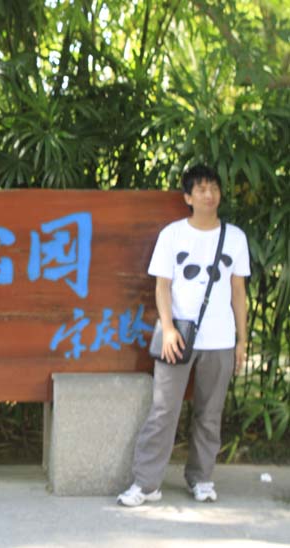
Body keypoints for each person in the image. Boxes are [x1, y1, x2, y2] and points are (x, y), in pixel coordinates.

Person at [117, 164, 250, 507]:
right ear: (188, 197)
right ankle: (146, 484)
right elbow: (162, 287)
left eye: (214, 188)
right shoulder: (172, 235)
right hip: (177, 337)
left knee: (210, 413)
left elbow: (238, 292)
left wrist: (242, 340)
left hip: (220, 340)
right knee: (163, 411)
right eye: (201, 189)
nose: (209, 194)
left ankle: (201, 479)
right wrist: (168, 328)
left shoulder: (235, 238)